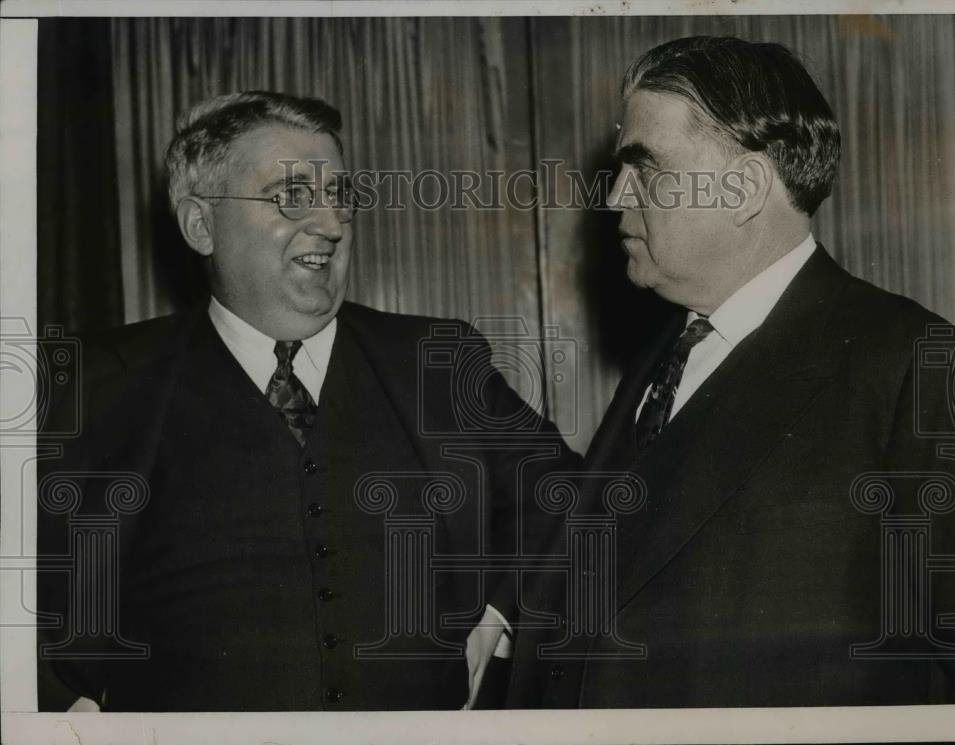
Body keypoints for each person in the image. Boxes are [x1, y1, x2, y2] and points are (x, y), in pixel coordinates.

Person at [36, 91, 579, 712]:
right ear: (200, 224)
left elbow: (571, 494)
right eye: (292, 196)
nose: (330, 224)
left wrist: (499, 612)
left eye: (339, 196)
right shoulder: (98, 382)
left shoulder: (439, 361)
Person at [507, 36, 955, 708]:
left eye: (646, 168)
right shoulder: (665, 359)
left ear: (745, 188)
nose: (615, 196)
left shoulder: (916, 366)